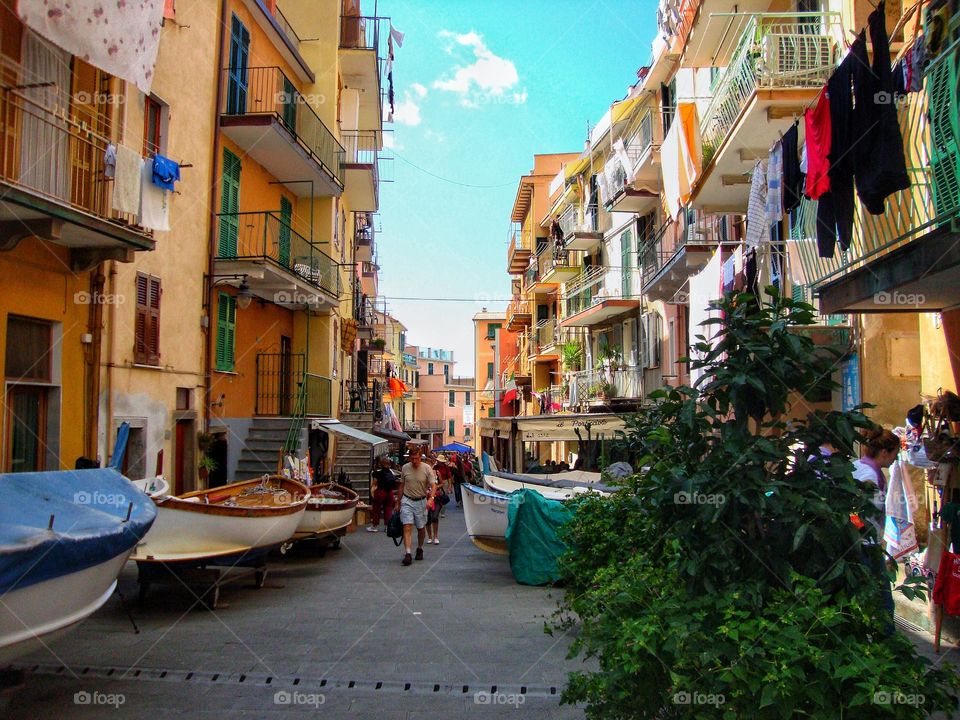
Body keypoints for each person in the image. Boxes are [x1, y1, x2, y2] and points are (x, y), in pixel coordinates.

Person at [852, 427, 901, 631]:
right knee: (883, 600)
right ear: (884, 453)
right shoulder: (871, 476)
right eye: (894, 455)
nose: (894, 460)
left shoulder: (856, 465)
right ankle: (887, 642)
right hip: (866, 544)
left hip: (857, 541)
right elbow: (859, 511)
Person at [395, 449, 436, 566]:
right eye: (412, 458)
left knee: (421, 528)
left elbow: (434, 485)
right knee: (407, 526)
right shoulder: (405, 468)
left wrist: (431, 499)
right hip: (407, 500)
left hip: (421, 501)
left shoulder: (427, 468)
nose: (414, 461)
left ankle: (419, 547)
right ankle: (408, 553)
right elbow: (402, 486)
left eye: (416, 458)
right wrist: (398, 502)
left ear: (420, 457)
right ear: (409, 458)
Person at [367, 456, 397, 532]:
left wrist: (372, 489)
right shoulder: (391, 472)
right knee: (388, 509)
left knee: (376, 509)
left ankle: (374, 526)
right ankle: (387, 526)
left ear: (381, 464)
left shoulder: (377, 473)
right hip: (389, 492)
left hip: (380, 491)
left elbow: (375, 483)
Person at [426, 459, 451, 544]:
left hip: (436, 497)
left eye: (429, 465)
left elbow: (442, 483)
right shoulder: (423, 475)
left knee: (435, 517)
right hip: (426, 498)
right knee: (428, 518)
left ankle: (436, 536)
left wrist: (435, 487)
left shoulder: (436, 473)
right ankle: (430, 537)